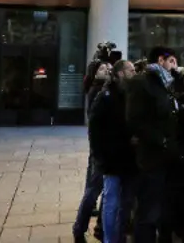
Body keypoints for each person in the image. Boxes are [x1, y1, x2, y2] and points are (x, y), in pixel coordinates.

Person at [127, 47, 180, 243]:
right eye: (172, 61)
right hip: (151, 156)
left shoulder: (166, 82)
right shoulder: (141, 83)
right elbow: (135, 119)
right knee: (148, 210)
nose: (175, 66)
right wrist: (161, 140)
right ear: (161, 60)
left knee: (163, 206)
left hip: (166, 154)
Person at [91, 60, 138, 243]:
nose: (134, 73)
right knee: (111, 202)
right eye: (131, 70)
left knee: (126, 202)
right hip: (112, 160)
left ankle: (120, 236)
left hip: (129, 159)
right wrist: (99, 157)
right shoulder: (105, 96)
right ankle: (110, 239)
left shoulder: (131, 93)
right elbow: (95, 130)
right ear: (120, 73)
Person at [73, 60, 113, 243]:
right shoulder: (98, 91)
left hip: (101, 148)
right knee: (94, 189)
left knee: (100, 189)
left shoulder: (104, 89)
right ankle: (80, 228)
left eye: (109, 68)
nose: (107, 70)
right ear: (94, 72)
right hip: (101, 149)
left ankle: (98, 227)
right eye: (103, 68)